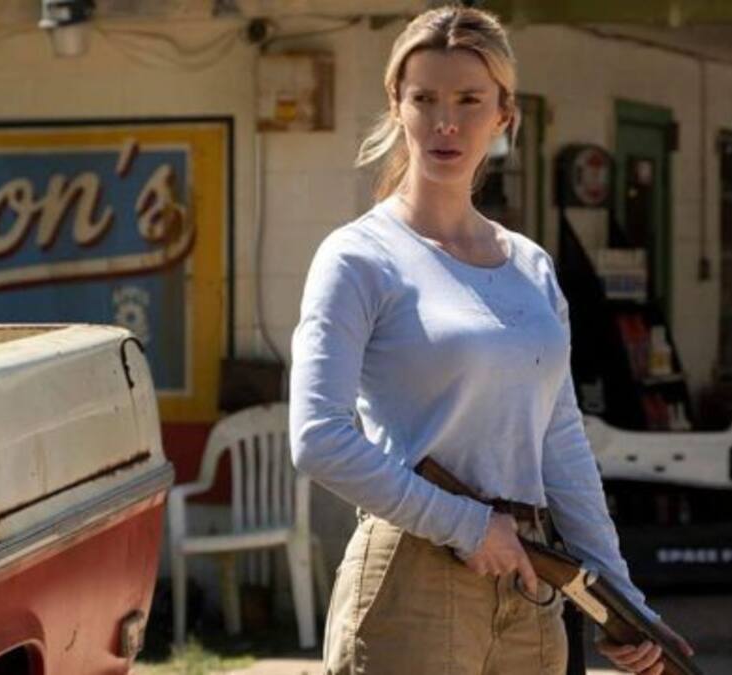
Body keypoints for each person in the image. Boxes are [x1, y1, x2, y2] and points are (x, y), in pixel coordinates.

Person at [288, 6, 694, 675]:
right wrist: (468, 525)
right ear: (397, 106)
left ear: (504, 114)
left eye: (469, 100)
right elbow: (318, 438)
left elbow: (560, 440)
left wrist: (621, 602)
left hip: (533, 578)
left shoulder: (530, 266)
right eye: (424, 99)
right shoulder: (358, 257)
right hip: (413, 575)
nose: (445, 122)